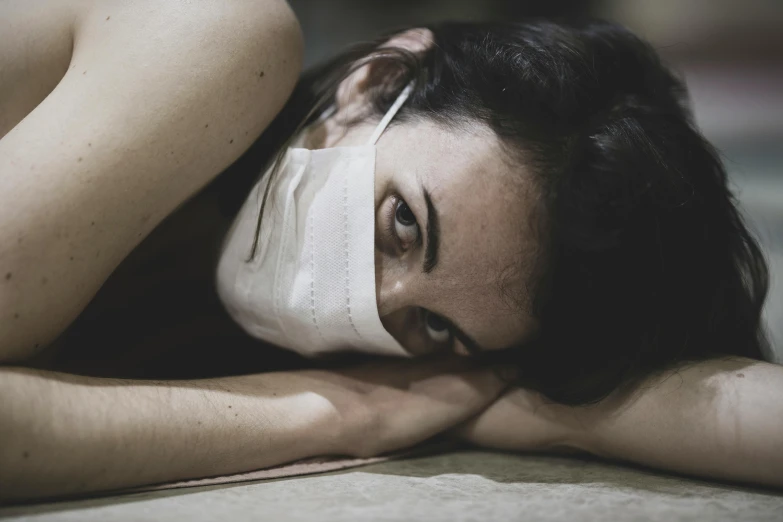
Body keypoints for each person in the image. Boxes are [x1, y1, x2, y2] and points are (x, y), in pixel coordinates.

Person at [1, 0, 781, 502]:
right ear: (375, 82)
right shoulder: (212, 34)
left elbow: (710, 403)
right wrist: (337, 416)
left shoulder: (380, 353)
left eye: (435, 327)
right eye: (403, 223)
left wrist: (564, 415)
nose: (368, 304)